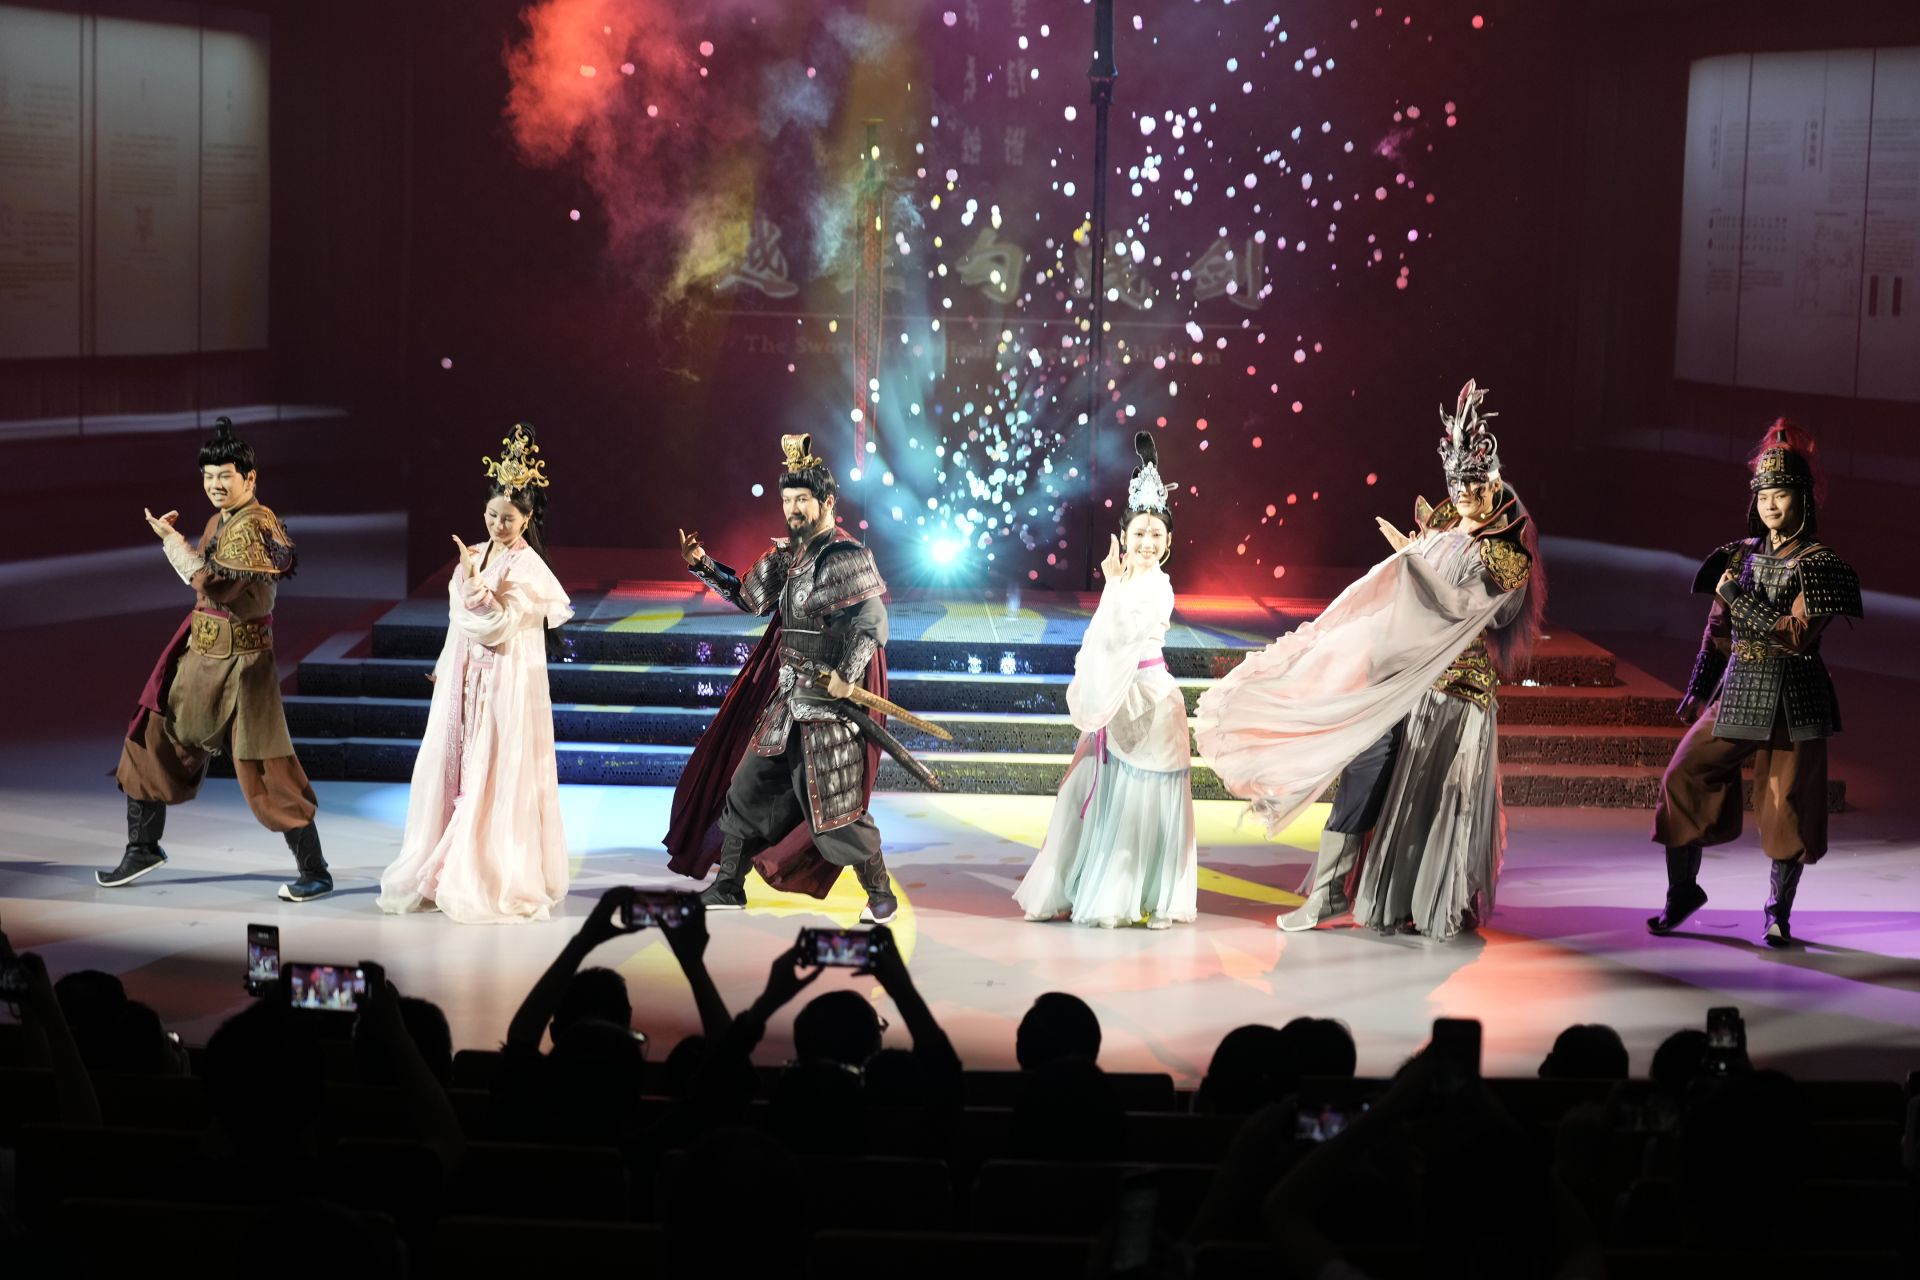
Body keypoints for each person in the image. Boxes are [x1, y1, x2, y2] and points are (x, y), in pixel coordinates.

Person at [1196, 381, 1543, 942]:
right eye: (1457, 484)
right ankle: (1330, 891)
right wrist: (1411, 557)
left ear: (1494, 480)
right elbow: (1417, 594)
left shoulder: (1505, 552)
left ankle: (1426, 900)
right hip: (1404, 678)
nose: (1465, 494)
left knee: (1431, 798)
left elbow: (1468, 610)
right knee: (1365, 769)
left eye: (1474, 484)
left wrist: (1413, 565)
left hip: (1454, 695)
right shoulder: (1445, 526)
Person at [664, 434, 897, 922]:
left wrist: (846, 675)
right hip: (786, 697)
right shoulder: (787, 556)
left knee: (835, 806)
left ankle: (880, 894)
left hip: (828, 707)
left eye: (801, 499)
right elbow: (749, 598)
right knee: (744, 790)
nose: (792, 509)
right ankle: (729, 886)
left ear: (827, 502)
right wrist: (703, 565)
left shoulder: (846, 556)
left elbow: (871, 621)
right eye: (787, 500)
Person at [1646, 419, 1861, 947]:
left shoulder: (1820, 565)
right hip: (1740, 685)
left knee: (1787, 808)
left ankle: (1777, 912)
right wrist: (1699, 687)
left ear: (1802, 498)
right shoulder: (1739, 556)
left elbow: (1795, 636)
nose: (1770, 505)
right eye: (1764, 495)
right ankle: (1682, 891)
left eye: (1781, 494)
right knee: (1684, 775)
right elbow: (1716, 631)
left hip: (1795, 695)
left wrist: (1739, 599)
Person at [99, 417, 331, 901]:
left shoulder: (255, 525)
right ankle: (143, 846)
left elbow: (217, 585)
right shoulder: (218, 521)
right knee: (150, 735)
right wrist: (175, 540)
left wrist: (173, 544)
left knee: (266, 766)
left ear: (250, 477)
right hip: (200, 654)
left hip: (244, 667)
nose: (215, 485)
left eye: (225, 475)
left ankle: (315, 869)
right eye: (208, 476)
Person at [378, 423, 574, 923]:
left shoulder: (528, 568)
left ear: (527, 519)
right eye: (491, 515)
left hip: (504, 680)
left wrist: (473, 586)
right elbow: (459, 623)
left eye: (508, 518)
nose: (497, 525)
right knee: (455, 764)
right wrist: (446, 664)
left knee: (494, 769)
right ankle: (442, 862)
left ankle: (486, 870)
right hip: (466, 679)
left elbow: (499, 625)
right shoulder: (477, 554)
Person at [1014, 432, 1199, 928]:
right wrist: (1114, 585)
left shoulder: (1159, 588)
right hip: (1114, 697)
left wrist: (1114, 586)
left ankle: (1152, 897)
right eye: (1140, 533)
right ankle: (1069, 888)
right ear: (1126, 535)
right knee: (1083, 795)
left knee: (1143, 805)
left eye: (1156, 535)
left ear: (1168, 543)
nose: (1147, 543)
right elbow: (1099, 640)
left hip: (1150, 704)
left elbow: (1124, 636)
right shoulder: (1123, 582)